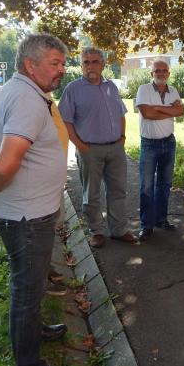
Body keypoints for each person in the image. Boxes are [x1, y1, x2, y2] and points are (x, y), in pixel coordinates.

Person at [0, 33, 69, 366]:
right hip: (26, 216)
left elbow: (5, 157)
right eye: (55, 63)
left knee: (33, 282)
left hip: (27, 211)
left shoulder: (21, 92)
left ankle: (34, 331)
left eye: (63, 63)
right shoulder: (26, 99)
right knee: (27, 290)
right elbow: (8, 162)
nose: (62, 70)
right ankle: (28, 360)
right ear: (30, 64)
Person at [59, 48, 137, 247]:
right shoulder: (73, 89)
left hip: (116, 148)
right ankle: (97, 231)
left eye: (95, 61)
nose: (90, 66)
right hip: (89, 150)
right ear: (81, 65)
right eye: (86, 62)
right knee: (91, 193)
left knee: (118, 190)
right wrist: (80, 146)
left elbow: (121, 114)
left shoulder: (111, 86)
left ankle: (119, 230)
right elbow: (65, 121)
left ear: (102, 65)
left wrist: (122, 137)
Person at [135, 60, 184, 241]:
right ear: (151, 74)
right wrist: (170, 110)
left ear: (168, 74)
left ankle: (161, 219)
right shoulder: (143, 89)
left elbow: (181, 111)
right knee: (146, 187)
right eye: (157, 71)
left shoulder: (174, 91)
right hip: (149, 144)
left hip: (169, 143)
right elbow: (147, 114)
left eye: (164, 71)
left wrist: (157, 108)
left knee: (164, 185)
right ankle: (146, 226)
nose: (161, 73)